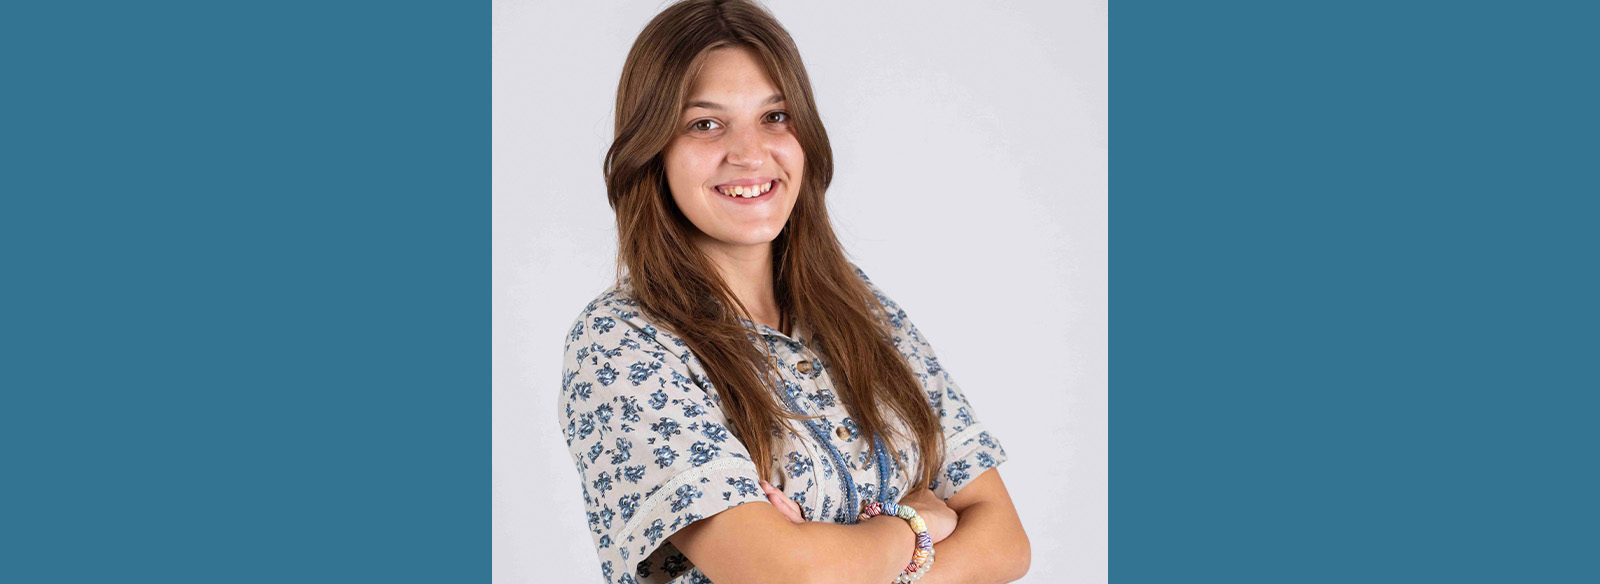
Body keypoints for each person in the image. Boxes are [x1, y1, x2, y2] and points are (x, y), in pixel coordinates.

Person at [558, 1, 1029, 582]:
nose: (750, 153)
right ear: (653, 149)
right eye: (705, 124)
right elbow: (791, 577)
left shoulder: (861, 310)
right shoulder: (619, 344)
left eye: (775, 116)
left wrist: (830, 551)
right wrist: (914, 523)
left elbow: (1004, 541)